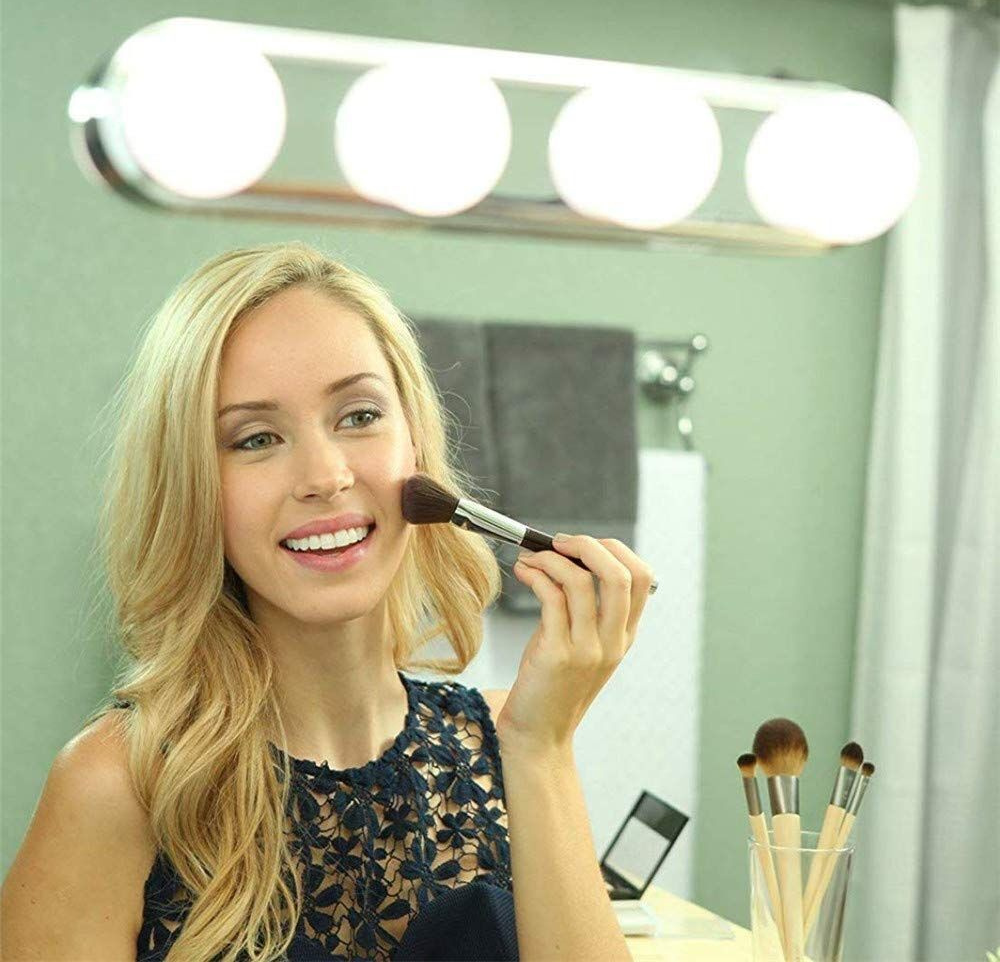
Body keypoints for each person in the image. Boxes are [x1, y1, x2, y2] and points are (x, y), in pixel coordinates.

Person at [1, 242, 654, 962]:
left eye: (358, 416)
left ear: (415, 445)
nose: (325, 474)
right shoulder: (114, 786)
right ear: (193, 488)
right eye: (256, 438)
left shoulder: (508, 743)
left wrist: (542, 749)